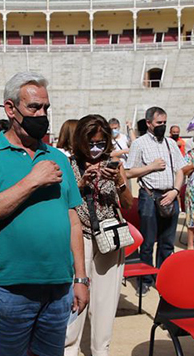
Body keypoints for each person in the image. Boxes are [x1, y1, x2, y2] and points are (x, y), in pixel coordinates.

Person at [0, 72, 88, 356]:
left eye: (45, 108)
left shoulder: (57, 157)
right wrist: (32, 181)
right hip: (10, 288)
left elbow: (73, 220)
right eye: (34, 108)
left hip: (58, 288)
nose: (42, 115)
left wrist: (80, 278)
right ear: (11, 109)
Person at [63, 115, 133, 356]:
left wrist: (119, 181)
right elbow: (62, 204)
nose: (95, 149)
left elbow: (127, 204)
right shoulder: (68, 165)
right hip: (79, 235)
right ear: (81, 141)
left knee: (105, 301)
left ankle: (100, 350)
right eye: (91, 143)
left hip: (109, 237)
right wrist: (82, 183)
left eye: (101, 144)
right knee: (76, 297)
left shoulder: (114, 165)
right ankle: (69, 349)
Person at [125, 106, 186, 295]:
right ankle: (145, 280)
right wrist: (150, 167)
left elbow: (180, 170)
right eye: (159, 123)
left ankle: (163, 277)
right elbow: (128, 171)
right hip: (150, 196)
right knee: (148, 242)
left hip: (170, 195)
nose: (163, 126)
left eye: (165, 123)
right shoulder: (140, 144)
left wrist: (175, 191)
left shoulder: (170, 143)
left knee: (167, 242)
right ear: (149, 123)